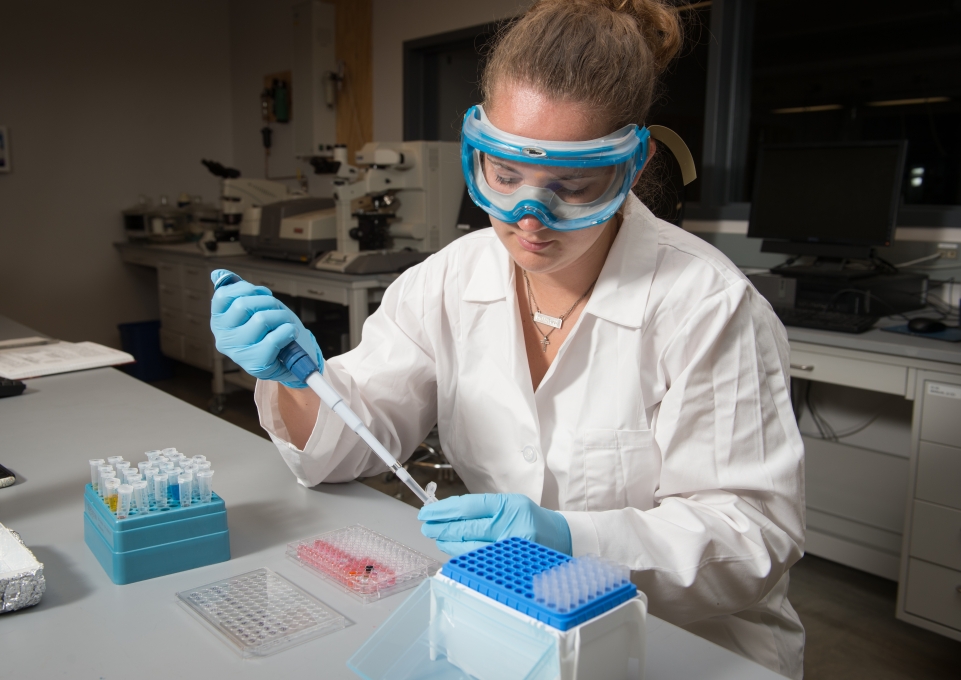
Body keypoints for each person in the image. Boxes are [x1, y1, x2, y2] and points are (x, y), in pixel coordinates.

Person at [209, 0, 805, 676]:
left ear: (631, 167)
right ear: (477, 152)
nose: (530, 217)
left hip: (683, 650)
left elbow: (751, 538)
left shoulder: (708, 306)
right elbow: (340, 450)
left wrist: (567, 539)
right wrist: (297, 381)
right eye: (505, 174)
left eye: (573, 185)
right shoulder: (445, 281)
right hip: (512, 629)